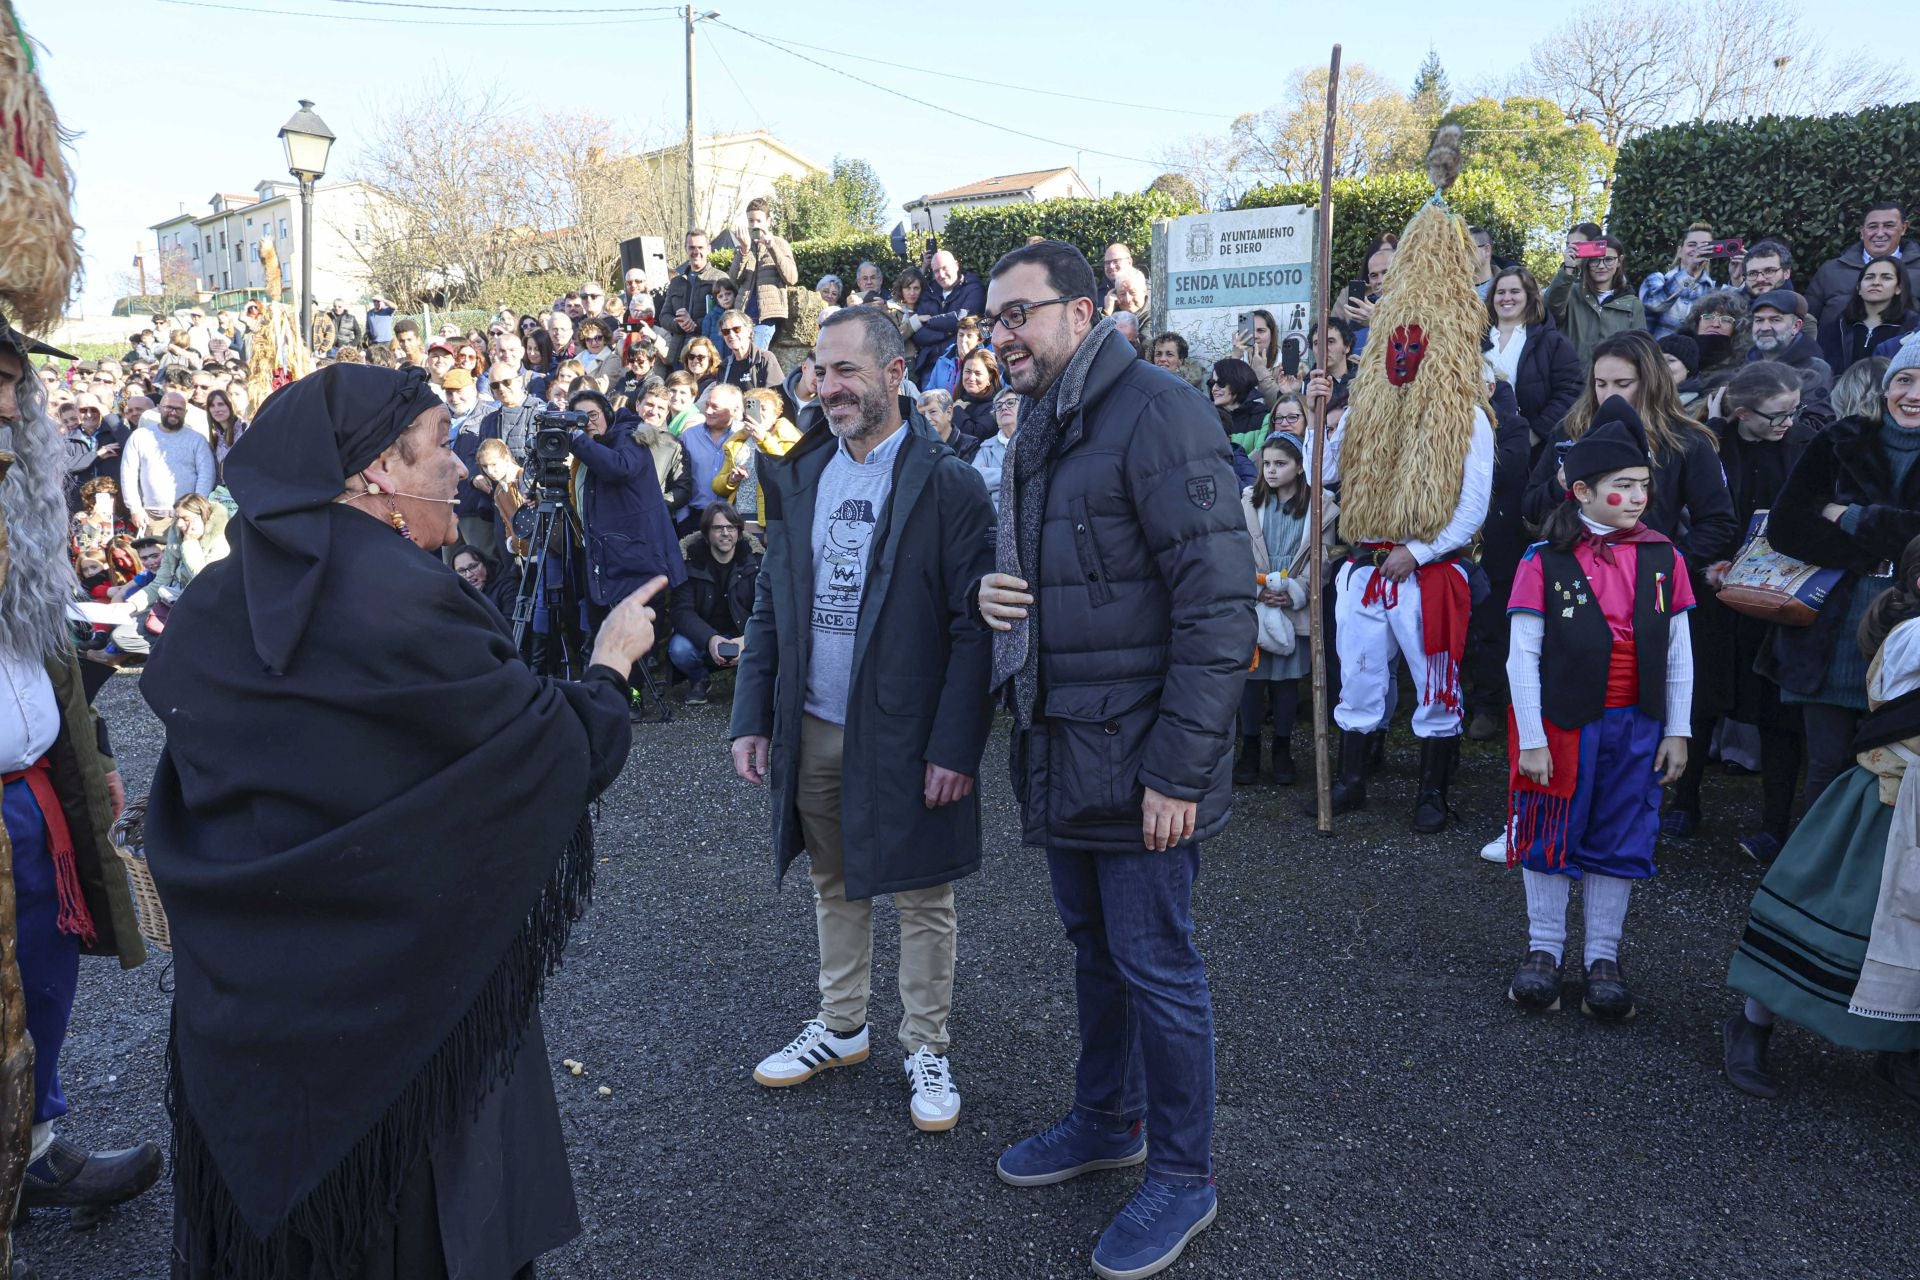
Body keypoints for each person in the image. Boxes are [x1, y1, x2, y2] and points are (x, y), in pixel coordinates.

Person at [141, 362, 662, 1278]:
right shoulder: (409, 600)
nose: (461, 469)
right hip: (411, 1025)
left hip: (252, 1017)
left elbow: (197, 787)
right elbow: (552, 753)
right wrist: (611, 664)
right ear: (378, 471)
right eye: (439, 449)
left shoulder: (220, 597)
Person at [974, 241, 1252, 1280]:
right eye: (992, 319)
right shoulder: (1045, 420)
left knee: (1159, 968)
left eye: (1019, 314)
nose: (1001, 335)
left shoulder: (1157, 408)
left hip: (1143, 764)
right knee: (1097, 953)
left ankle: (1184, 1174)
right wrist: (989, 598)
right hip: (1065, 750)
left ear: (1082, 309)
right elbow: (1057, 576)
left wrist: (1178, 771)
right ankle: (1107, 1118)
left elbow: (1218, 604)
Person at [730, 305, 996, 1135]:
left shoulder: (947, 481)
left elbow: (972, 627)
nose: (827, 385)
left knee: (921, 894)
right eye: (819, 369)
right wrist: (752, 713)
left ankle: (927, 1046)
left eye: (846, 370)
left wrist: (956, 745)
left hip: (908, 730)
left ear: (892, 375)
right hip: (813, 720)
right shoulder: (803, 471)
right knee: (833, 878)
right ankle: (843, 1026)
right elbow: (774, 605)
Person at [0, 319, 162, 1253]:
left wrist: (94, 750)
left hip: (38, 791)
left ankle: (37, 1144)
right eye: (0, 384)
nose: (15, 405)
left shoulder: (27, 503)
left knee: (46, 974)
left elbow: (53, 650)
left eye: (19, 385)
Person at [1503, 398, 1694, 1022]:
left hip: (1635, 724)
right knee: (1552, 828)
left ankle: (1603, 956)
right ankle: (1544, 948)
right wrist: (1532, 736)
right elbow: (1520, 657)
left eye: (1643, 485)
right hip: (1561, 723)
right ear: (1581, 491)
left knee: (1620, 831)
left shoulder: (1664, 558)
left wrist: (1679, 730)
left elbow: (1678, 654)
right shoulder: (1543, 559)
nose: (1638, 497)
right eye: (1623, 487)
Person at [1326, 144, 1495, 833]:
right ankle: (1352, 775)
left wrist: (1421, 555)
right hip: (1365, 568)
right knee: (1360, 678)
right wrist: (1320, 415)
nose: (1406, 355)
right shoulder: (1363, 407)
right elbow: (1328, 473)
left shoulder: (1469, 418)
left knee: (1434, 685)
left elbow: (1473, 504)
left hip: (1425, 571)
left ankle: (1434, 792)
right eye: (1398, 342)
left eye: (1419, 344)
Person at [1722, 537, 1920, 1105]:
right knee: (1825, 915)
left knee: (1907, 936)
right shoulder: (1911, 635)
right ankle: (1752, 1024)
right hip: (1883, 806)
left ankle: (1900, 1050)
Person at [1762, 337, 1920, 805]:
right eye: (1905, 381)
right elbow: (1787, 526)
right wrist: (1878, 549)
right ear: (1888, 386)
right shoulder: (1842, 437)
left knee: (1894, 767)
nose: (1913, 394)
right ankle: (1810, 876)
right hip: (1827, 628)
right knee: (1825, 762)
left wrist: (1851, 517)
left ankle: (1877, 876)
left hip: (1906, 629)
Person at [1667, 363, 1812, 858]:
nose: (1787, 423)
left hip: (1777, 599)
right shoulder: (1706, 444)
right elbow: (1687, 509)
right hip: (1710, 591)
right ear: (1743, 412)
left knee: (1777, 716)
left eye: (1795, 410)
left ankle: (1774, 824)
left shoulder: (1805, 446)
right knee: (1699, 700)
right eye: (1777, 415)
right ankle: (1684, 802)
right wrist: (1707, 563)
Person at [1235, 431, 1330, 786]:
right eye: (1267, 464)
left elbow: (1322, 560)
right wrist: (1255, 589)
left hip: (1293, 601)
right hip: (1255, 600)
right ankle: (1249, 747)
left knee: (1286, 681)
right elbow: (1236, 552)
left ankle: (1283, 748)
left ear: (1300, 467)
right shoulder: (1248, 502)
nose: (1271, 471)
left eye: (1281, 464)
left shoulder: (1319, 506)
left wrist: (1296, 591)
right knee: (1251, 678)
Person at [565, 389, 688, 634]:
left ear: (608, 414)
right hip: (609, 557)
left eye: (592, 415)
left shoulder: (629, 436)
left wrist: (577, 440)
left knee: (634, 641)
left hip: (636, 561)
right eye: (578, 418)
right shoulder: (591, 449)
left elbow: (618, 468)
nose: (586, 424)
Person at [109, 494, 229, 660]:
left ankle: (187, 653)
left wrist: (190, 543)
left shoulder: (221, 541)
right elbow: (160, 582)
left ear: (203, 516)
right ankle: (179, 651)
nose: (179, 524)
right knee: (121, 636)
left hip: (205, 611)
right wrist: (130, 605)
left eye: (185, 519)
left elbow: (204, 581)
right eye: (177, 518)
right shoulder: (176, 537)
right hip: (174, 606)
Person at [667, 501, 758, 704]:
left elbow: (766, 611)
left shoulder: (755, 562)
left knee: (771, 641)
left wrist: (746, 639)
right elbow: (681, 611)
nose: (725, 533)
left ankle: (749, 682)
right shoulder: (688, 563)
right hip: (703, 637)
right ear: (707, 533)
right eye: (718, 528)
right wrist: (711, 639)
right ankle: (700, 679)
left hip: (743, 634)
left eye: (731, 527)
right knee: (679, 649)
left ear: (739, 532)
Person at [1486, 265, 1582, 438]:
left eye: (1515, 291)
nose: (1506, 298)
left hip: (1532, 450)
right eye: (1500, 292)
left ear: (1529, 297)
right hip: (1476, 442)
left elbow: (1569, 392)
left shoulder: (1552, 342)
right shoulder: (1473, 340)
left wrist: (1535, 434)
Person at [1804, 202, 1920, 324]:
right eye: (1872, 226)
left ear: (1903, 228)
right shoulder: (1830, 271)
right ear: (1861, 232)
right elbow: (1807, 321)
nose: (1880, 233)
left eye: (1889, 226)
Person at [120, 389, 214, 536]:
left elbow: (206, 475)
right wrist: (135, 509)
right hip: (151, 517)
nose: (173, 412)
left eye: (178, 409)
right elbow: (128, 475)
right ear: (159, 409)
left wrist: (196, 509)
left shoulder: (197, 439)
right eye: (169, 407)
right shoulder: (140, 437)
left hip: (188, 518)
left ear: (185, 412)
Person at [1545, 233, 1646, 364]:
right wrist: (1569, 268)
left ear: (1619, 262)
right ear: (1587, 262)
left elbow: (1640, 349)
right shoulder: (1570, 292)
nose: (1601, 266)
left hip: (1611, 380)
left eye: (1609, 259)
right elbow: (1550, 309)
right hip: (1569, 379)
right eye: (1594, 260)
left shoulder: (1632, 304)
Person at [1819, 255, 1920, 372]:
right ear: (1859, 288)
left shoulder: (1912, 329)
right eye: (1869, 277)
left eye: (1886, 278)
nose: (1876, 282)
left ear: (1899, 288)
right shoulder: (1839, 325)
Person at [1748, 289, 1834, 414]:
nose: (1765, 328)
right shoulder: (1744, 362)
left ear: (1796, 326)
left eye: (1775, 320)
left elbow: (1814, 422)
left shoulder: (1815, 369)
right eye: (1759, 320)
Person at [908, 250, 986, 386]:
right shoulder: (929, 291)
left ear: (956, 265)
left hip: (959, 363)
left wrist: (930, 321)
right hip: (929, 366)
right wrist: (948, 331)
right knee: (927, 406)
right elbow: (917, 333)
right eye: (936, 271)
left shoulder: (973, 287)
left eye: (945, 268)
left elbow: (964, 318)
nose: (941, 275)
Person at [1638, 222, 1719, 339]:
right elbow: (1654, 304)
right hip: (1654, 354)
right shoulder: (1656, 279)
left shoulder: (1714, 291)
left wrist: (1736, 278)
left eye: (1704, 246)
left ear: (1711, 254)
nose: (1698, 250)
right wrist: (1689, 271)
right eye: (1692, 245)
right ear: (1679, 251)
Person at [730, 197, 799, 335]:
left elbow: (792, 278)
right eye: (751, 221)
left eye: (759, 221)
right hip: (742, 316)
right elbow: (733, 279)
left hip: (767, 317)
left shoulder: (780, 244)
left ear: (768, 222)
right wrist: (743, 250)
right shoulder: (743, 247)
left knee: (756, 354)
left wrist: (772, 247)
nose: (754, 225)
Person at [972, 388, 1018, 518]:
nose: (1003, 408)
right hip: (994, 519)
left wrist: (992, 479)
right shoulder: (986, 447)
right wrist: (1015, 474)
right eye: (999, 406)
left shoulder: (1032, 440)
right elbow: (974, 479)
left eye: (1010, 403)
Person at [1209, 358, 1267, 455]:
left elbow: (1259, 458)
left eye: (1220, 383)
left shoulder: (1264, 417)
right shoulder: (1207, 416)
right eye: (1212, 383)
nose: (1214, 389)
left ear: (1237, 383)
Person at [714, 310, 783, 392]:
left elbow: (777, 397)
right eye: (726, 331)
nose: (731, 335)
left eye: (736, 329)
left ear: (749, 332)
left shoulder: (764, 359)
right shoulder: (724, 367)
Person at [951, 347, 1001, 440]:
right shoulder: (959, 398)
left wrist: (957, 410)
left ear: (990, 377)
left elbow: (975, 435)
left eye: (977, 373)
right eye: (967, 372)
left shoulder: (997, 406)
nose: (971, 378)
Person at [204, 387, 247, 481]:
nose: (217, 409)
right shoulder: (215, 436)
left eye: (221, 404)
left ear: (230, 406)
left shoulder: (245, 429)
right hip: (223, 491)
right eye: (212, 406)